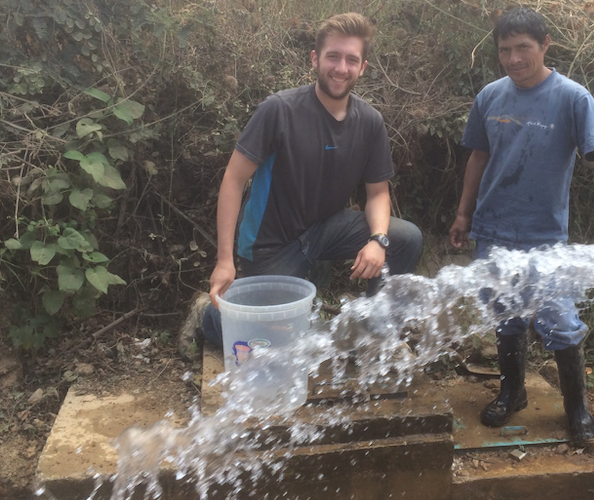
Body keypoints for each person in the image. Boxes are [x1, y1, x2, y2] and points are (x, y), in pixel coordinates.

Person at [448, 7, 594, 446]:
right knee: (506, 318)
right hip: (493, 230)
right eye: (505, 50)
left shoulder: (572, 98)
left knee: (559, 321)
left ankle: (578, 410)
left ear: (545, 45)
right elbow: (478, 157)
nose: (514, 58)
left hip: (544, 235)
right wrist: (464, 214)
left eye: (523, 48)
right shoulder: (490, 97)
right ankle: (512, 392)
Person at [179, 13, 423, 359]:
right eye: (333, 57)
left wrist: (377, 240)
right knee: (271, 345)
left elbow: (378, 193)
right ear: (315, 59)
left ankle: (375, 335)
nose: (341, 68)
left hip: (327, 229)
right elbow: (233, 180)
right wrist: (224, 261)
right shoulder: (279, 111)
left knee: (405, 239)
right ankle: (208, 315)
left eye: (351, 59)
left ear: (363, 67)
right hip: (271, 244)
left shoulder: (369, 122)